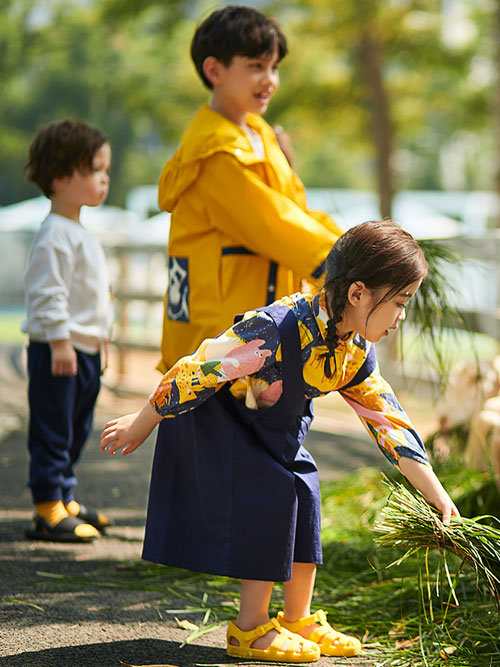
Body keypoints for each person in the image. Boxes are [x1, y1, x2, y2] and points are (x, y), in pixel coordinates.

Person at [101, 220, 460, 663]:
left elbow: (387, 420)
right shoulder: (273, 331)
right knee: (272, 495)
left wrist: (436, 495)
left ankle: (297, 618)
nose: (402, 318)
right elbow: (198, 368)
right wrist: (143, 422)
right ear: (358, 294)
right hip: (228, 428)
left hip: (279, 432)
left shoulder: (352, 351)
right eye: (400, 302)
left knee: (305, 491)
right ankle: (249, 629)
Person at [157, 5, 343, 372]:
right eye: (256, 66)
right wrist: (342, 264)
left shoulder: (260, 135)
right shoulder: (213, 153)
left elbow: (296, 210)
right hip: (216, 345)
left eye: (274, 67)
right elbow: (271, 222)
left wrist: (357, 245)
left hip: (255, 336)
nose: (270, 79)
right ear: (215, 70)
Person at [22, 119, 113, 542]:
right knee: (54, 427)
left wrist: (100, 342)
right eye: (95, 170)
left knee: (77, 427)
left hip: (84, 350)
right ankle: (46, 507)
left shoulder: (79, 231)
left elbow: (91, 297)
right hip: (60, 351)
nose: (104, 178)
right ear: (60, 177)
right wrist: (60, 341)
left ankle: (66, 497)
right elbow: (48, 293)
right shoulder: (54, 234)